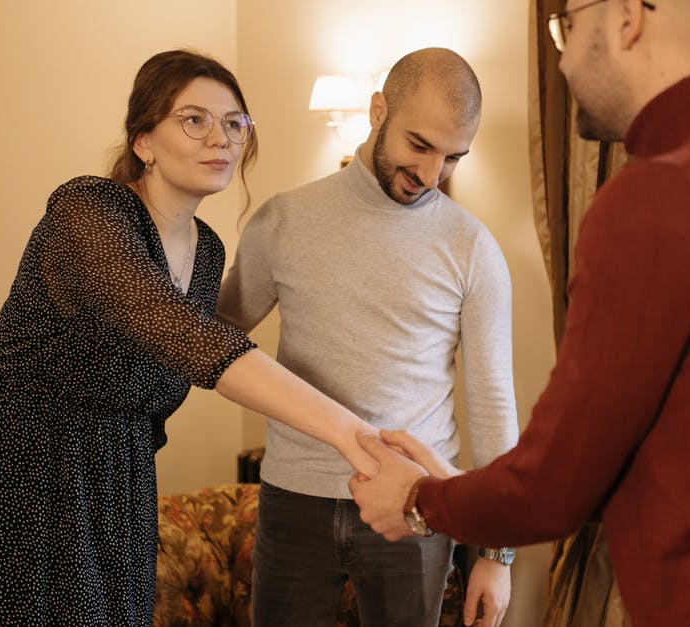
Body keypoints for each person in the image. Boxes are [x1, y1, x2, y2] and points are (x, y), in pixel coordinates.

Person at [348, 2, 690, 625]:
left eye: (568, 28)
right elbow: (631, 466)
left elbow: (553, 489)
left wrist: (421, 500)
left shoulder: (659, 199)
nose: (560, 59)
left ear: (628, 18)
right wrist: (460, 488)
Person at [0, 50, 381, 625]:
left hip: (117, 483)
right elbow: (188, 338)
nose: (219, 137)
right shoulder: (88, 210)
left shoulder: (208, 253)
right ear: (143, 140)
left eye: (234, 123)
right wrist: (351, 433)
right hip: (14, 468)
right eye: (193, 119)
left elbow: (190, 359)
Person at [217, 48, 518, 627]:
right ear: (378, 110)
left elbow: (493, 407)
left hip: (416, 511)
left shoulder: (473, 248)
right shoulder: (283, 220)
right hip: (292, 500)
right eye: (420, 145)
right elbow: (212, 341)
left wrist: (497, 555)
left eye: (453, 157)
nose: (431, 176)